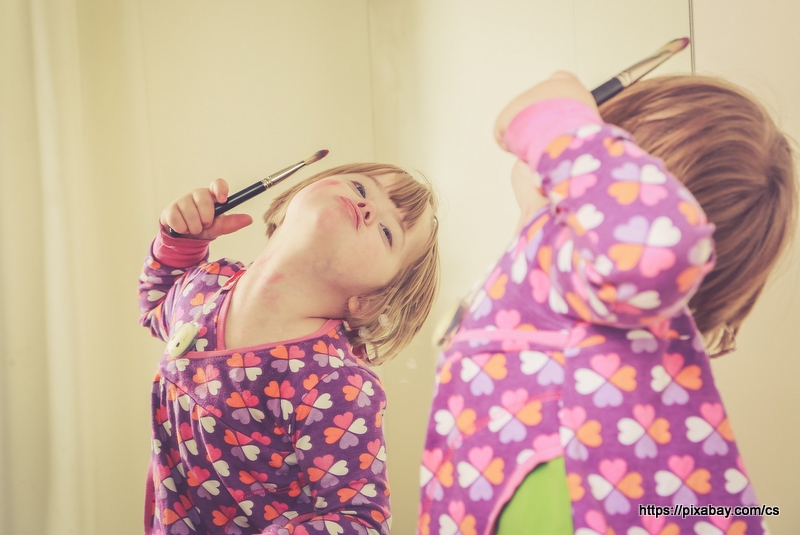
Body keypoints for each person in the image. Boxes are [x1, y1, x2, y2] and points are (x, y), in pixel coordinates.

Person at [418, 72, 795, 535]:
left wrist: (556, 123)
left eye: (601, 137)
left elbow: (653, 244)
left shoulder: (575, 282)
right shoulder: (551, 297)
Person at [138, 162, 439, 534]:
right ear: (294, 198)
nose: (367, 207)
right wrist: (179, 240)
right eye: (362, 189)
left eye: (387, 232)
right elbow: (155, 305)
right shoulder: (203, 285)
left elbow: (360, 522)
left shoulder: (336, 385)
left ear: (369, 301)